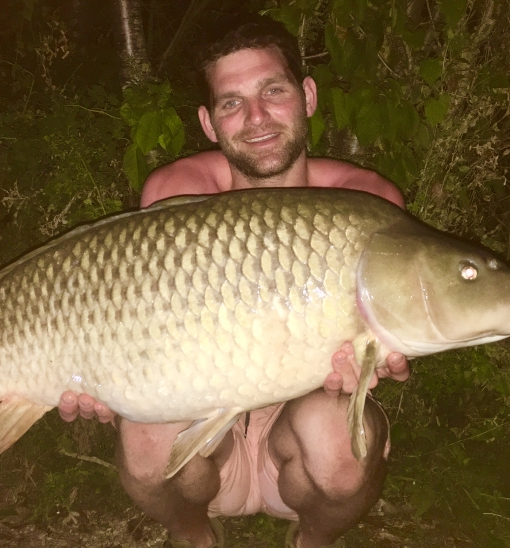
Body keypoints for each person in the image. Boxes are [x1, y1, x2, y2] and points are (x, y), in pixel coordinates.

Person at [59, 14, 410, 548]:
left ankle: (314, 537)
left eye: (273, 90)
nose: (257, 117)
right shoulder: (178, 193)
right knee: (144, 437)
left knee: (344, 447)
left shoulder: (368, 205)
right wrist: (99, 375)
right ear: (208, 122)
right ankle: (193, 532)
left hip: (296, 445)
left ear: (308, 95)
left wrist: (381, 354)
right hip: (206, 452)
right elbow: (141, 328)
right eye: (231, 102)